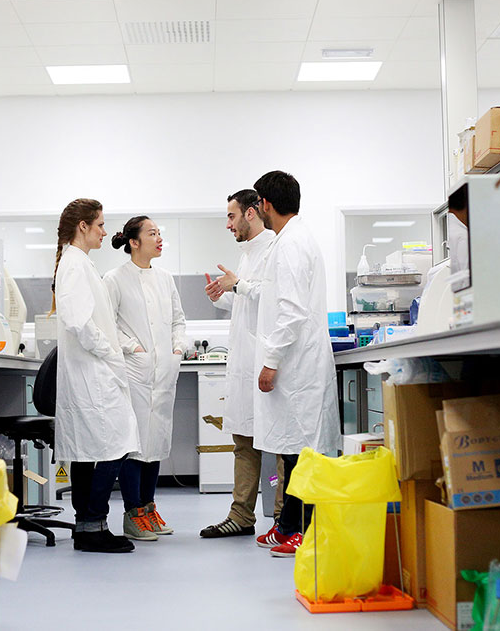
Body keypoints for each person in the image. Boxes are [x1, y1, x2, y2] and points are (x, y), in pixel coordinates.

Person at [250, 171, 340, 558]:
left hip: (296, 365)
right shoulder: (291, 240)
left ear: (266, 204)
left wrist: (271, 361)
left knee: (302, 452)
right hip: (298, 363)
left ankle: (303, 528)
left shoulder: (290, 245)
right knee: (293, 451)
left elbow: (290, 312)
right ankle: (288, 525)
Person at [52, 198, 141, 554]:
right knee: (109, 446)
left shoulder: (79, 263)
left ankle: (88, 526)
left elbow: (91, 318)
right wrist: (108, 350)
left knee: (93, 450)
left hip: (94, 370)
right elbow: (79, 322)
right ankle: (92, 524)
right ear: (83, 227)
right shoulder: (74, 264)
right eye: (100, 225)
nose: (105, 231)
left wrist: (117, 347)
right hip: (93, 371)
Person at [199, 190, 285, 539]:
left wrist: (241, 286)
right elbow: (247, 305)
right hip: (245, 362)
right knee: (243, 442)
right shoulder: (247, 254)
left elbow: (277, 300)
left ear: (251, 213)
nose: (228, 224)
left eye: (232, 216)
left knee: (279, 443)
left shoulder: (275, 249)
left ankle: (283, 518)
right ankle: (241, 516)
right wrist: (226, 295)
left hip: (267, 361)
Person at [104, 216, 186, 542]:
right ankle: (132, 513)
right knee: (136, 443)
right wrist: (131, 347)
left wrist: (178, 348)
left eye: (159, 233)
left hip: (164, 369)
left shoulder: (165, 278)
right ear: (134, 242)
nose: (159, 238)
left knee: (157, 442)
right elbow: (108, 322)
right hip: (134, 370)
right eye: (152, 234)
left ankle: (149, 507)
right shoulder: (115, 278)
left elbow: (178, 320)